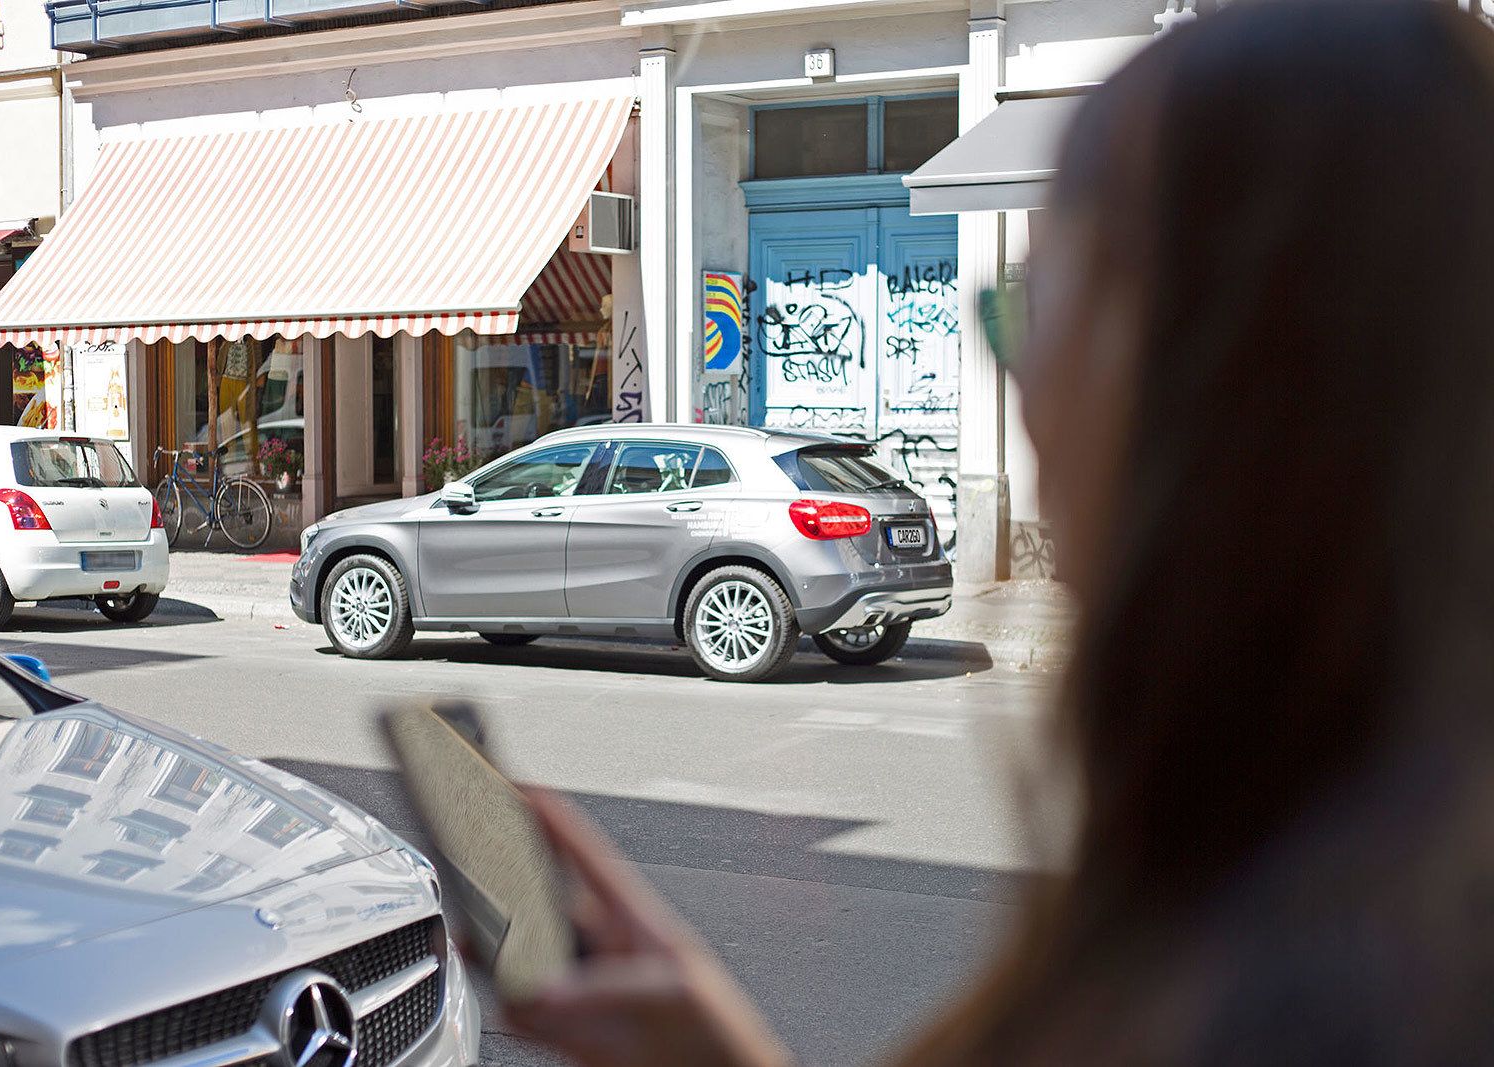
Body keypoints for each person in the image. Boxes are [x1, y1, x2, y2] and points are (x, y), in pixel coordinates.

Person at [505, 2, 1494, 1064]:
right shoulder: (1303, 849)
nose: (1018, 391)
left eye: (1025, 316)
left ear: (1211, 363)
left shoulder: (1304, 982)